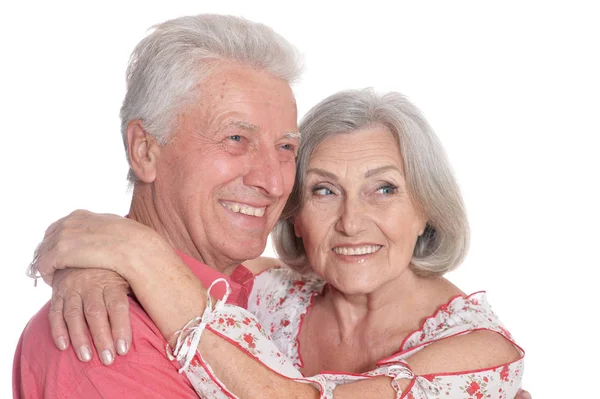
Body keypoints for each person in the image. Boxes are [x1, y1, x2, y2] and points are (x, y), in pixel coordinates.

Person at [29, 89, 526, 398]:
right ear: (297, 214)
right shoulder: (272, 293)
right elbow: (192, 268)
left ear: (426, 210)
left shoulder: (479, 353)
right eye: (324, 191)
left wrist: (138, 253)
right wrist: (95, 267)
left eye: (385, 189)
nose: (353, 222)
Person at [13, 13, 304, 398]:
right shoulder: (106, 339)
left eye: (285, 147)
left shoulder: (258, 296)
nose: (271, 181)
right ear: (145, 150)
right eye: (235, 138)